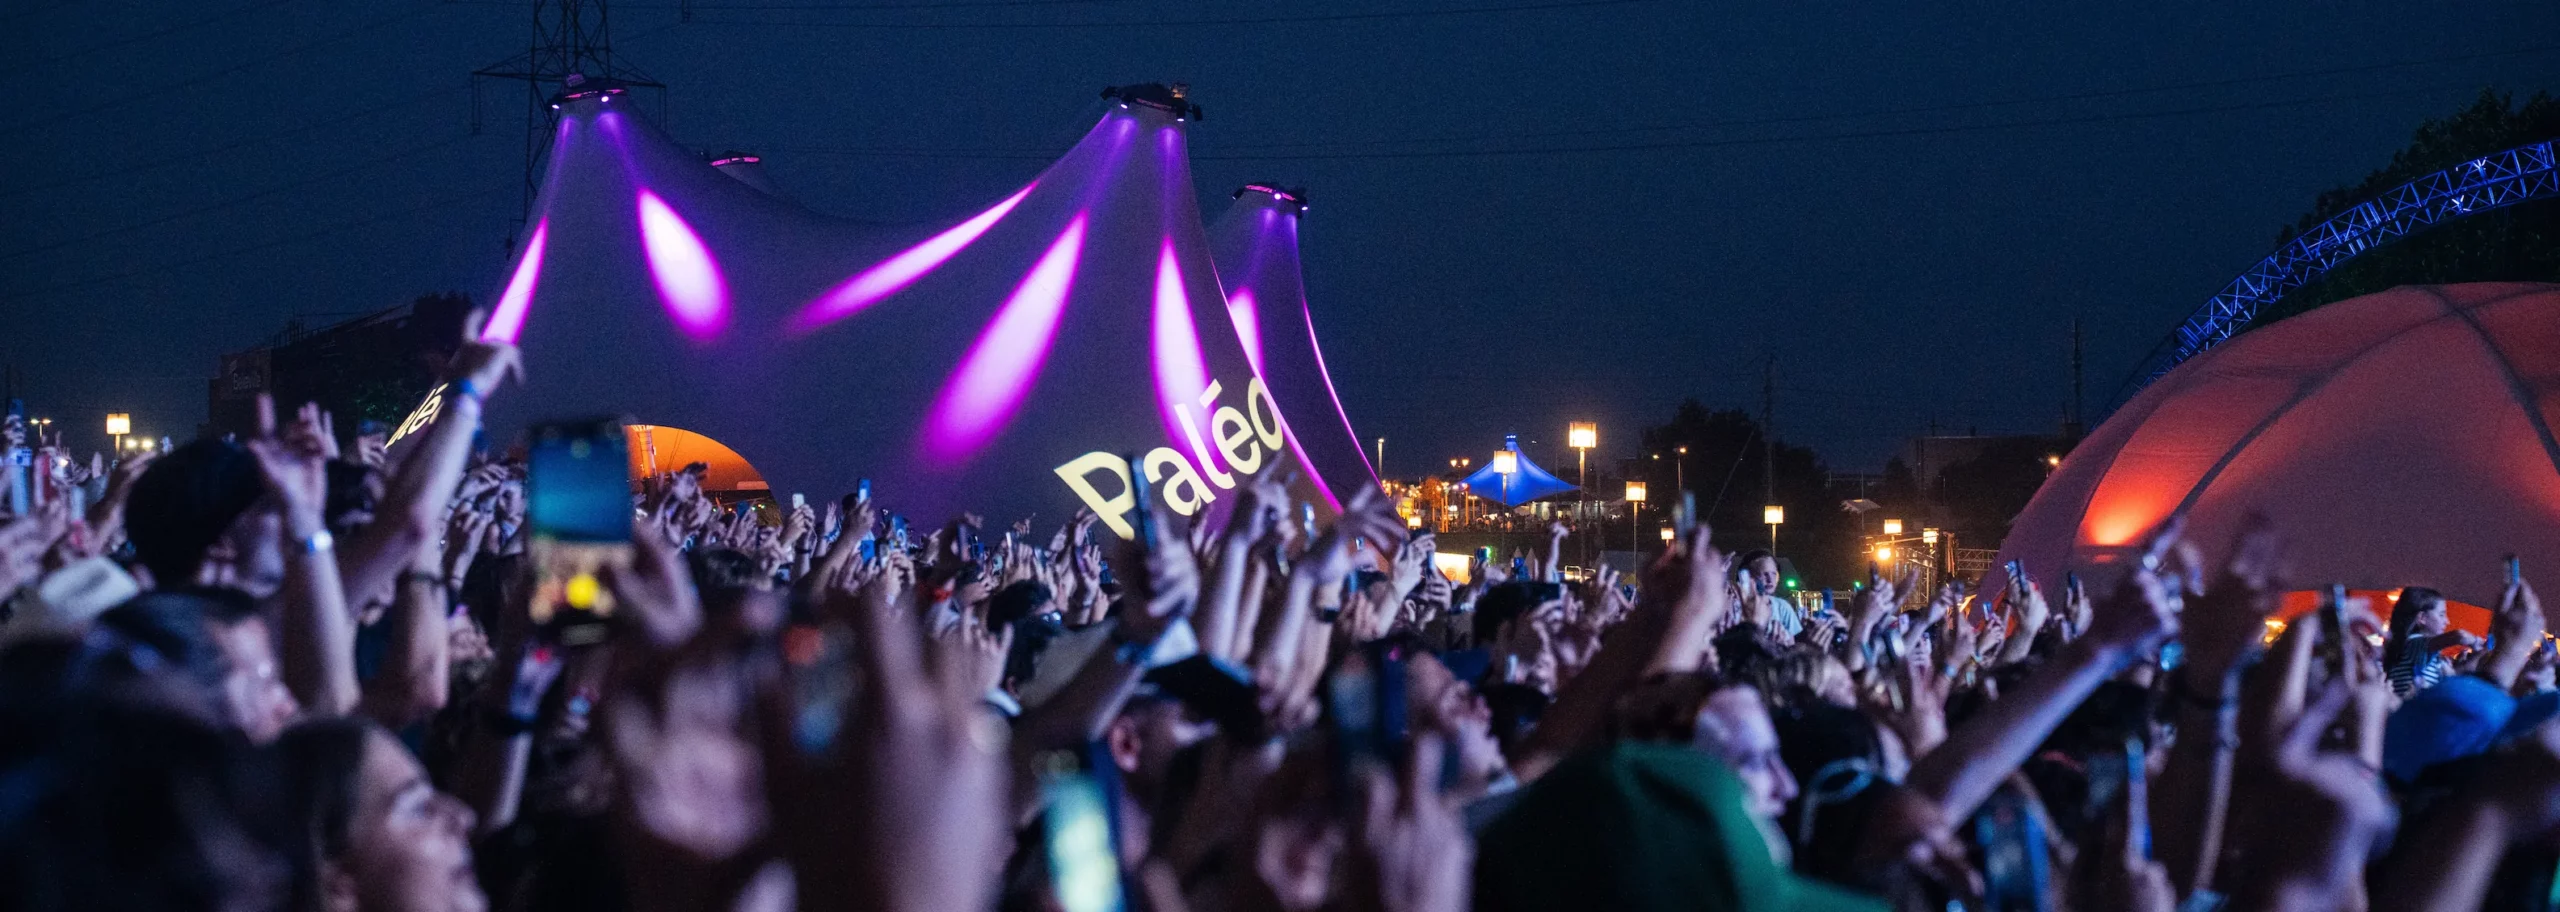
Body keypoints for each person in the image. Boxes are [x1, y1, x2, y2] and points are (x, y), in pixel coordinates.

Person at [2384, 587, 2473, 697]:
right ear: (2422, 618)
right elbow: (2459, 635)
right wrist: (2474, 640)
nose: (2447, 621)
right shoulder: (2413, 643)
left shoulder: (2423, 654)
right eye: (2441, 614)